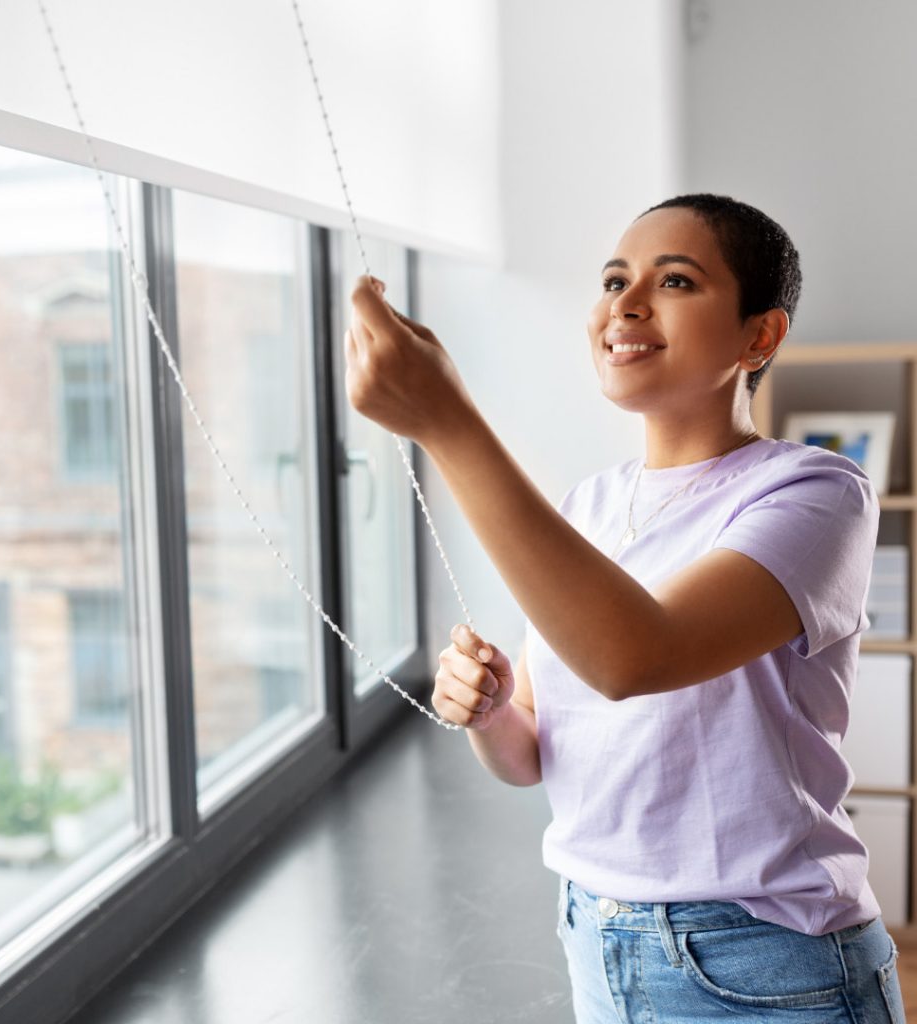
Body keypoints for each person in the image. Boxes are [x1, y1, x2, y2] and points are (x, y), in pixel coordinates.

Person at [345, 193, 907, 1023]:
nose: (625, 303)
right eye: (614, 279)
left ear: (761, 335)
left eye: (674, 281)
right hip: (597, 937)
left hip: (766, 960)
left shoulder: (815, 494)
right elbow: (530, 752)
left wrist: (448, 424)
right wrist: (489, 713)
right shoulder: (586, 509)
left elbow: (634, 657)